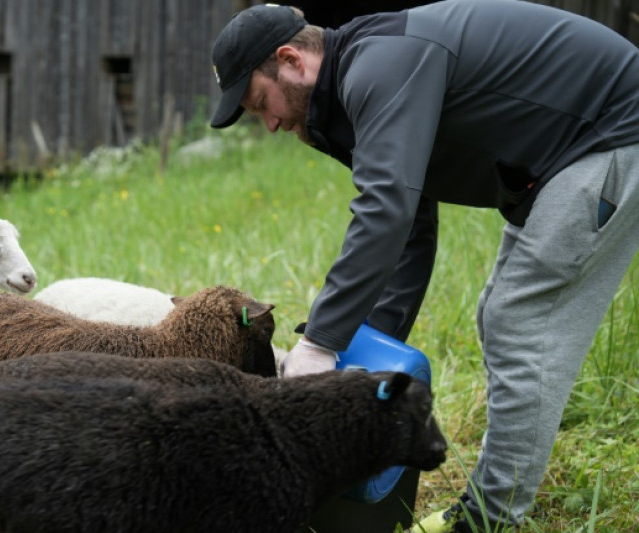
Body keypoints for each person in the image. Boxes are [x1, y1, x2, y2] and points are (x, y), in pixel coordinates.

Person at [209, 1, 639, 531]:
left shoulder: (380, 66)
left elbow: (386, 209)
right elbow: (410, 224)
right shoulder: (347, 96)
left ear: (291, 59)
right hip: (559, 157)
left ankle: (489, 518)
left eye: (260, 103)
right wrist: (367, 355)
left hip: (611, 134)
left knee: (520, 323)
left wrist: (320, 343)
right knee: (497, 316)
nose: (270, 124)